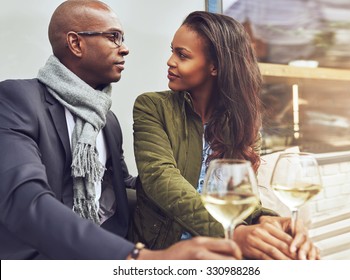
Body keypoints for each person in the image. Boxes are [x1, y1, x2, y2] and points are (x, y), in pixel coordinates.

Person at [0, 0, 243, 260]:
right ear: (76, 43)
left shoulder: (108, 121)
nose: (125, 48)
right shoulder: (17, 99)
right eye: (113, 37)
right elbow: (25, 200)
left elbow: (117, 191)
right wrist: (137, 257)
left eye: (123, 38)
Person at [130, 11, 320, 260]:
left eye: (182, 55)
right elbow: (162, 181)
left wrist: (273, 223)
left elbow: (241, 199)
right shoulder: (152, 106)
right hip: (165, 250)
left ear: (215, 67)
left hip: (225, 250)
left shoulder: (243, 125)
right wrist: (232, 234)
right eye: (173, 51)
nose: (170, 61)